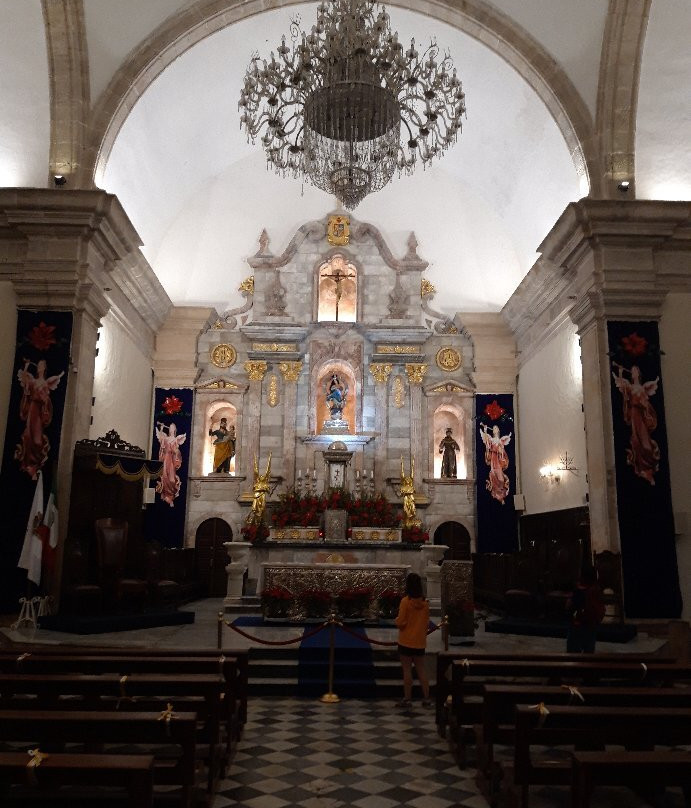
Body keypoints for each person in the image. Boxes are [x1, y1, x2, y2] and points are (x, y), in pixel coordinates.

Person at [15, 359, 64, 480]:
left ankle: (36, 465)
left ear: (44, 368)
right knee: (27, 436)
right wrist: (26, 367)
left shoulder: (45, 383)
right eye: (39, 365)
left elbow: (46, 400)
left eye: (41, 366)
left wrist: (44, 398)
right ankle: (27, 465)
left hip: (38, 412)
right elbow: (26, 383)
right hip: (32, 409)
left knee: (37, 440)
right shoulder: (33, 381)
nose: (39, 367)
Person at [611, 363, 660, 485]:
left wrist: (645, 407)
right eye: (632, 371)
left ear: (638, 373)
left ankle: (650, 467)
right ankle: (642, 469)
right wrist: (621, 372)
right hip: (634, 415)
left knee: (645, 441)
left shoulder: (643, 387)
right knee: (636, 441)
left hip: (641, 415)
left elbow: (646, 404)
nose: (633, 373)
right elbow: (625, 393)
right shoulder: (629, 386)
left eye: (635, 371)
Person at [395, 572, 431, 708]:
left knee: (407, 670)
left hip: (406, 640)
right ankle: (427, 697)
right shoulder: (425, 603)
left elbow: (401, 622)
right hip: (419, 641)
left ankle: (407, 698)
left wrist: (397, 621)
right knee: (421, 670)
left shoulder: (406, 601)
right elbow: (426, 623)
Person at [566, 566, 605, 653]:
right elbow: (601, 610)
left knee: (573, 652)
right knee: (589, 652)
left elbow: (568, 607)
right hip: (591, 626)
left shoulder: (578, 592)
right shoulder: (596, 591)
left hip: (577, 626)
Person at [154, 421, 186, 507]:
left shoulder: (175, 439)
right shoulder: (166, 438)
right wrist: (161, 429)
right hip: (166, 459)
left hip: (171, 460)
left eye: (173, 428)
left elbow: (177, 452)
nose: (171, 429)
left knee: (171, 479)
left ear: (175, 430)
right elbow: (162, 443)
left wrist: (175, 451)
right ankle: (165, 495)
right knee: (164, 477)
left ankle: (171, 495)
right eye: (170, 428)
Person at [479, 422, 512, 504]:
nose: (494, 429)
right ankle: (498, 497)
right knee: (494, 479)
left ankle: (502, 495)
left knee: (501, 479)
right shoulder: (491, 440)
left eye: (496, 428)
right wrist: (485, 430)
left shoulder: (501, 440)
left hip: (499, 461)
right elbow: (487, 443)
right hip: (493, 461)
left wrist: (500, 449)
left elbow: (502, 452)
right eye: (493, 428)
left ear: (498, 430)